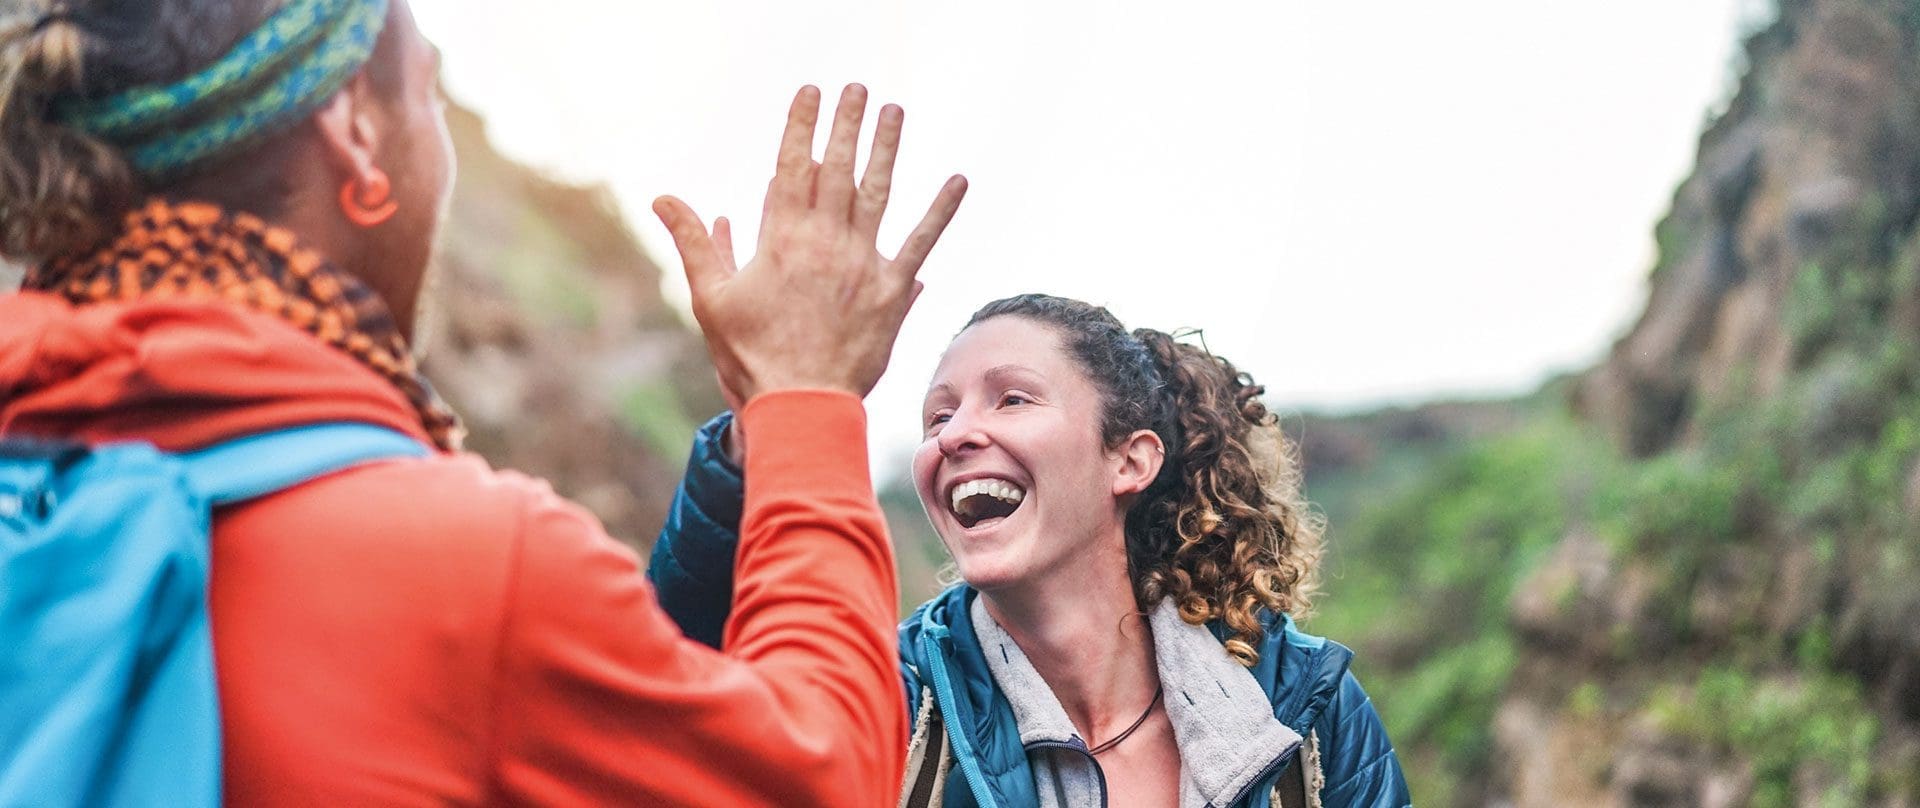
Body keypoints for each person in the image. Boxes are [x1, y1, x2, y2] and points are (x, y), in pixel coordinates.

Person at [0, 0, 968, 802]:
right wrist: (806, 393)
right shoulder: (463, 569)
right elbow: (824, 772)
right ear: (358, 128)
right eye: (425, 89)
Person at [646, 295, 1414, 807]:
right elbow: (667, 724)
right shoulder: (896, 706)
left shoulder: (1301, 708)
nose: (954, 434)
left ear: (1130, 461)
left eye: (1010, 397)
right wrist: (763, 431)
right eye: (936, 416)